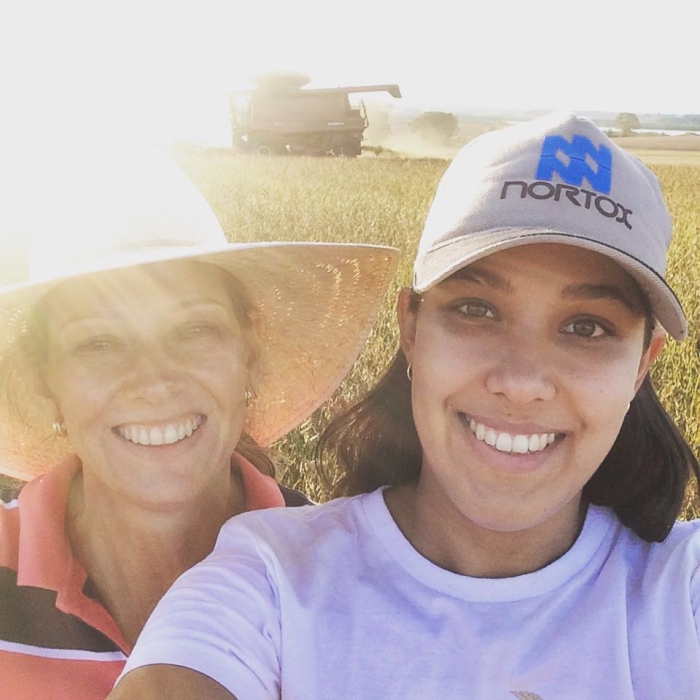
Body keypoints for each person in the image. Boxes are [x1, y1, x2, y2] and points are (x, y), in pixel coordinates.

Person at [109, 113, 700, 699]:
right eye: (476, 310)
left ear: (641, 367)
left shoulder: (683, 592)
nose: (521, 382)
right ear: (411, 330)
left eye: (587, 327)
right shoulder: (269, 579)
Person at [0, 151, 398, 699]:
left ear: (249, 353)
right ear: (46, 382)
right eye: (99, 342)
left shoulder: (344, 576)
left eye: (194, 330)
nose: (155, 382)